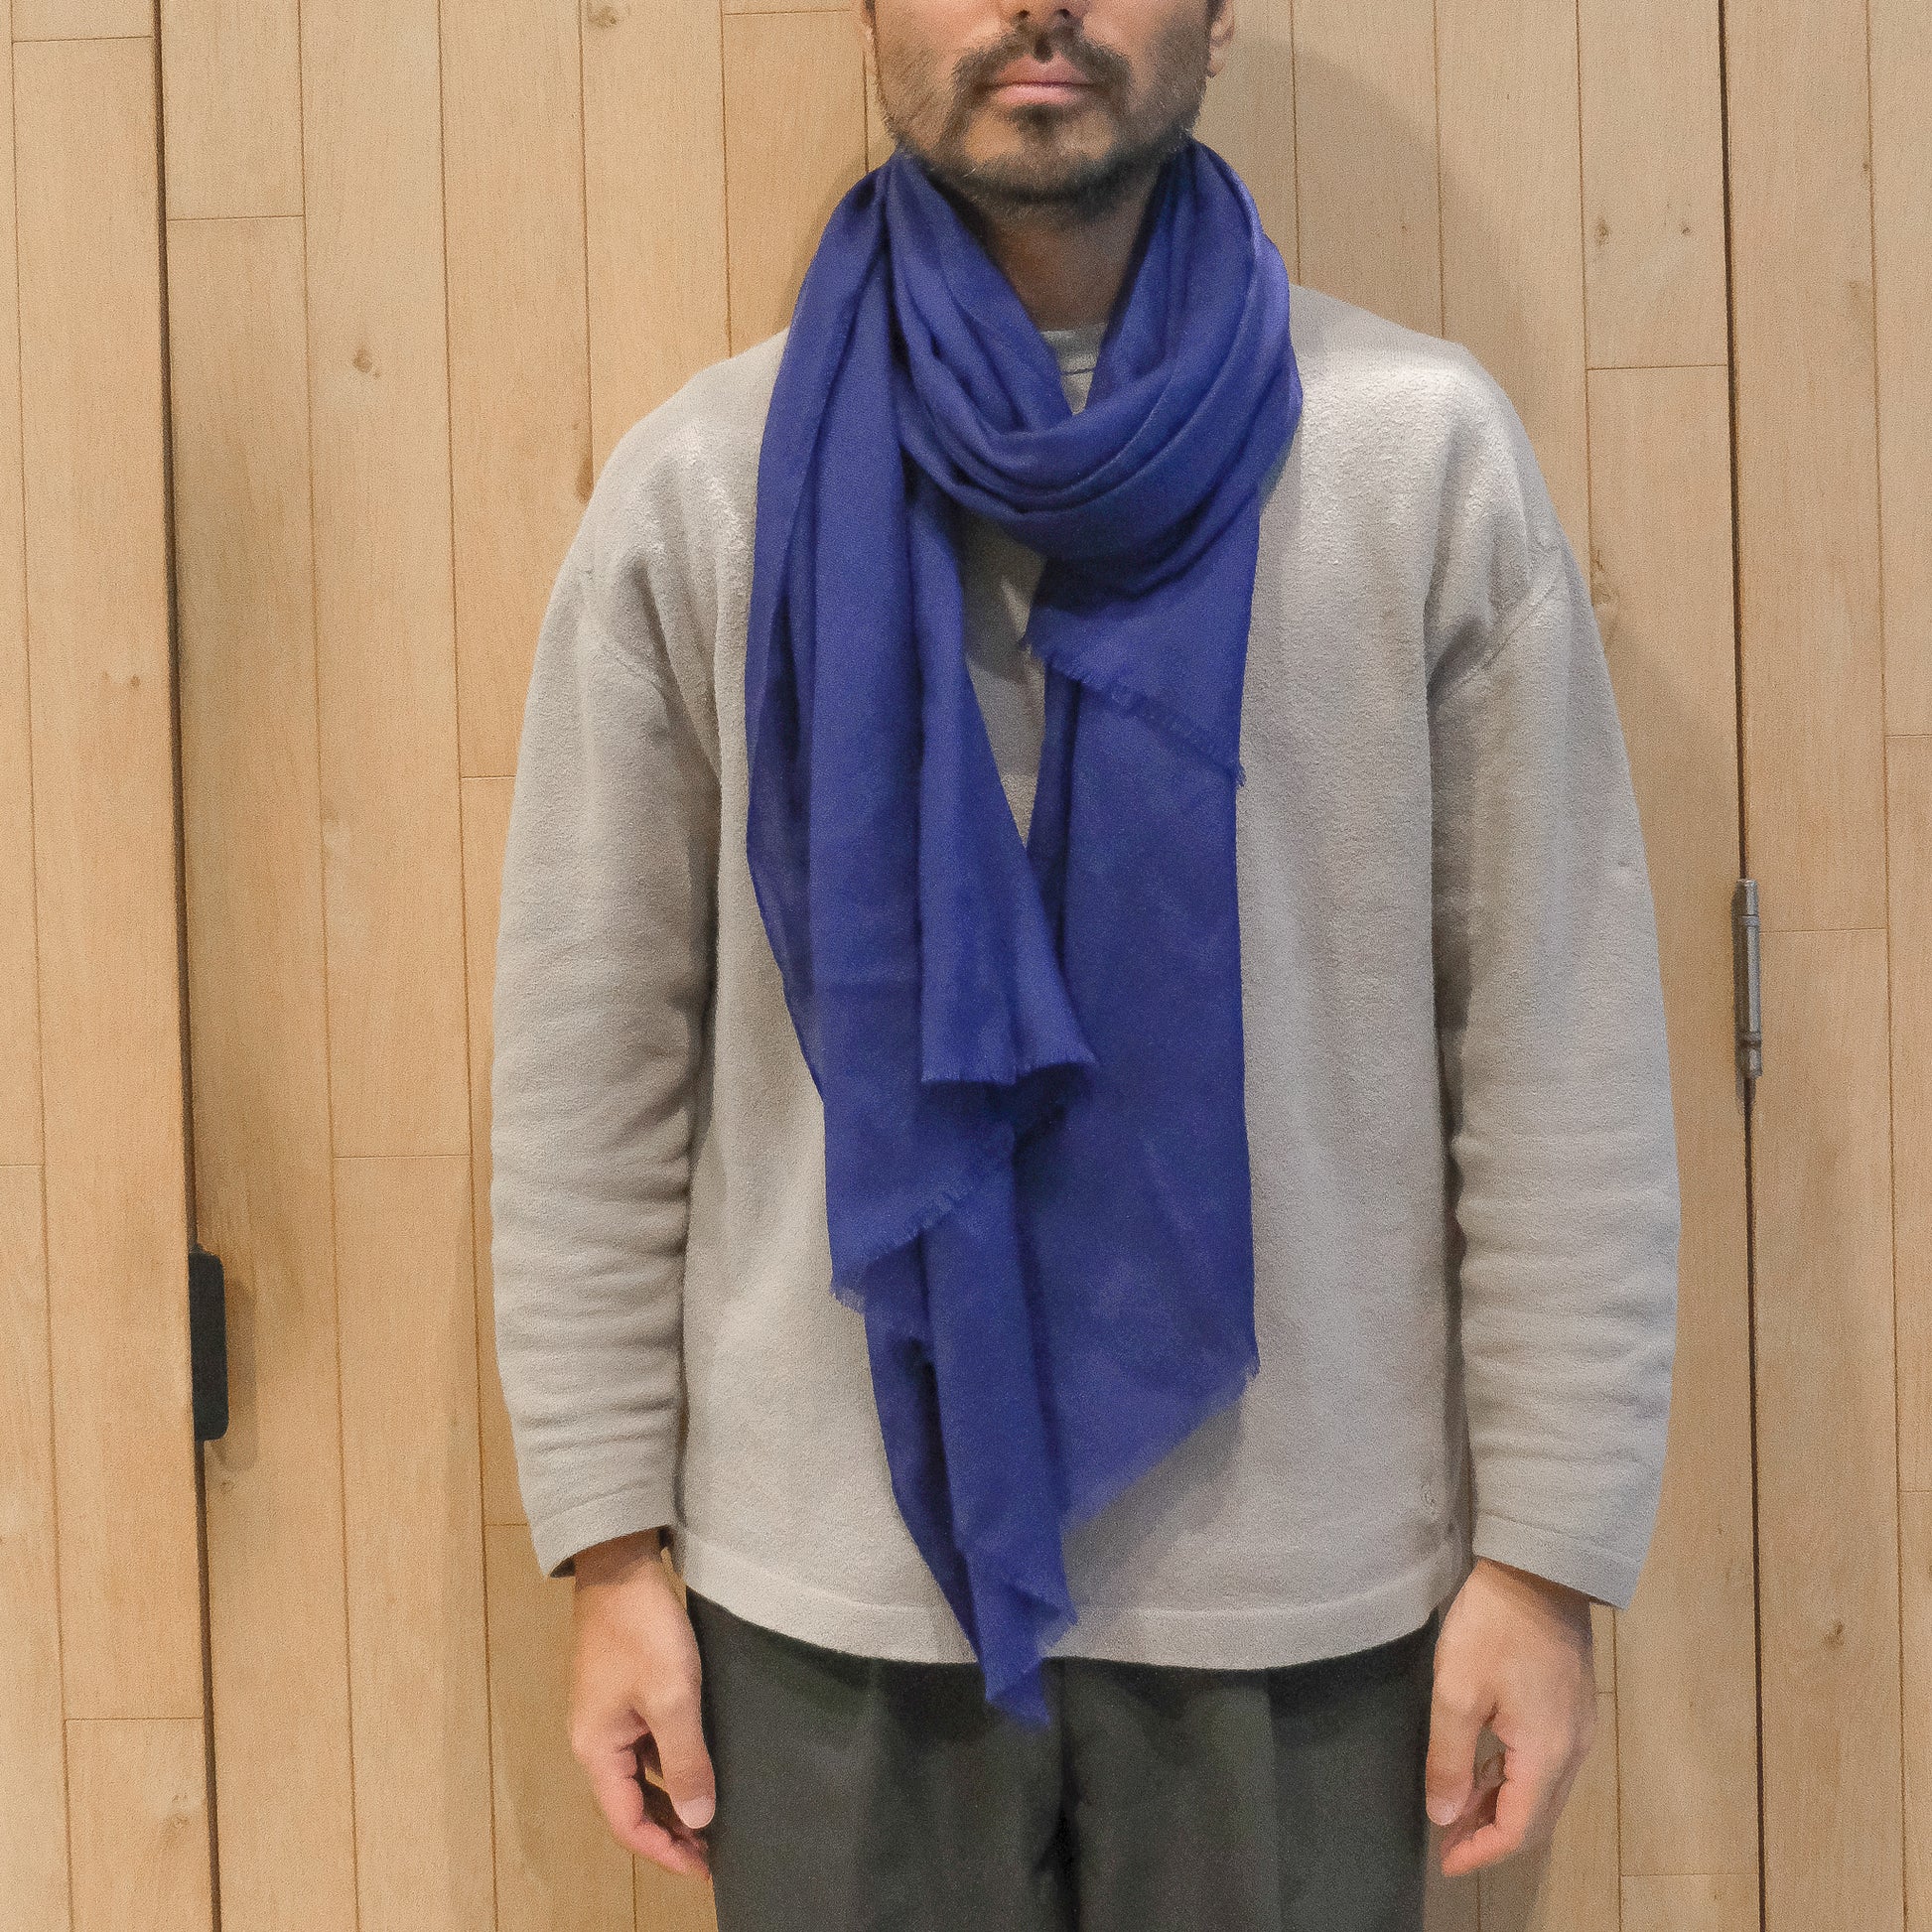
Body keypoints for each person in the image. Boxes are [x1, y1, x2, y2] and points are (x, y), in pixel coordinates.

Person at [486, 0, 1683, 1925]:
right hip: (826, 1611)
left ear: (1216, 11)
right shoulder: (702, 487)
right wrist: (608, 1546)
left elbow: (1552, 1042)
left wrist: (1546, 1559)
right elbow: (592, 1058)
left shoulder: (1417, 458)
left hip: (1305, 1606)